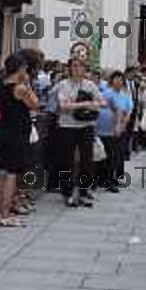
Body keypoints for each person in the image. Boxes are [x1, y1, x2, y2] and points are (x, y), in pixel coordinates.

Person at [0, 53, 39, 227]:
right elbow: (35, 104)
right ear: (20, 68)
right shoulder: (20, 88)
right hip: (17, 133)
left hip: (4, 130)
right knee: (12, 174)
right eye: (25, 68)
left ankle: (1, 210)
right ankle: (5, 214)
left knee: (2, 172)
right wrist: (27, 84)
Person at [57, 56, 104, 207]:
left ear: (85, 69)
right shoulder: (63, 84)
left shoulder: (90, 85)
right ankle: (67, 192)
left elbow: (102, 102)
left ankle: (84, 191)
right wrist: (85, 103)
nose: (77, 69)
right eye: (74, 66)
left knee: (86, 160)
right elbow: (63, 106)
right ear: (69, 68)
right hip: (67, 126)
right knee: (66, 160)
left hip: (86, 126)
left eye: (80, 66)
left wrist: (81, 105)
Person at [97, 70, 132, 192]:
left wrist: (122, 126)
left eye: (120, 79)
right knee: (104, 156)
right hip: (103, 129)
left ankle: (110, 179)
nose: (118, 81)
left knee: (114, 156)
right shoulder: (105, 93)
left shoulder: (125, 96)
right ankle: (104, 179)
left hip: (118, 130)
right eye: (116, 78)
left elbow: (128, 113)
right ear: (111, 81)